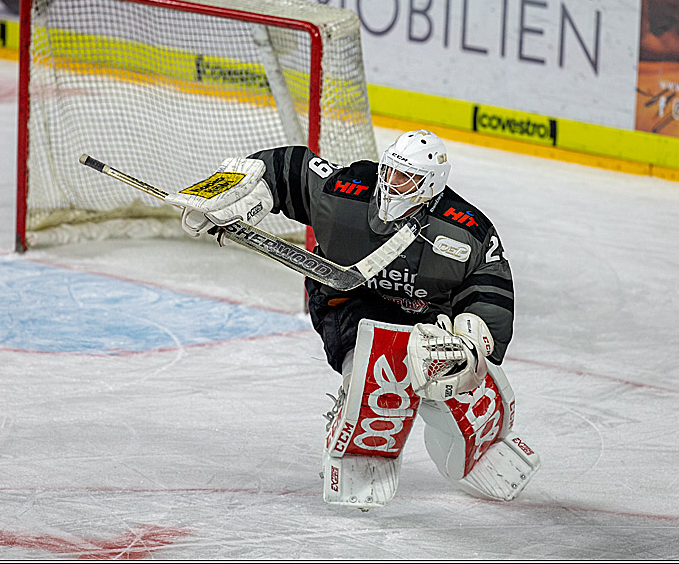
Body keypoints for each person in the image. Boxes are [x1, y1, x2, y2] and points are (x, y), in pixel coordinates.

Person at [167, 129, 538, 507]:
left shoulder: (465, 229)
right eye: (389, 171)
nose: (391, 184)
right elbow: (291, 169)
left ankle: (480, 439)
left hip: (425, 316)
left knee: (445, 367)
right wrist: (234, 190)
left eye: (405, 178)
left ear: (430, 186)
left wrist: (473, 342)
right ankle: (359, 430)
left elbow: (489, 287)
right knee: (377, 363)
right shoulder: (348, 192)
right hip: (346, 299)